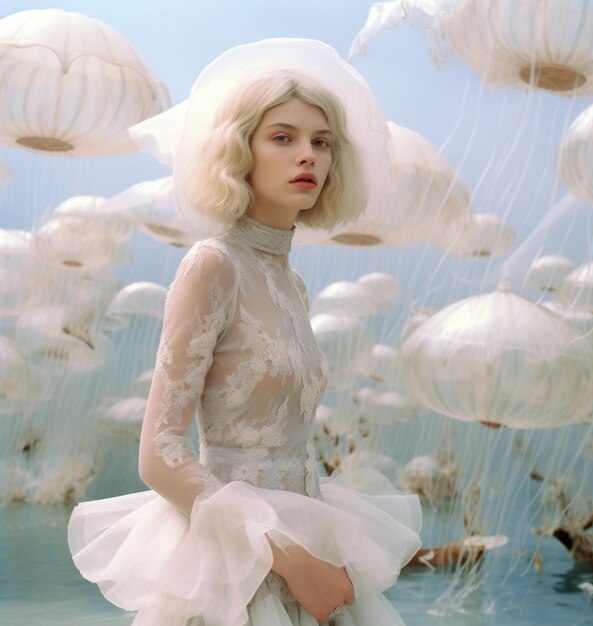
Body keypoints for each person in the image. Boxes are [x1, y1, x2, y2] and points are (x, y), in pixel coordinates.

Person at [68, 39, 422, 626]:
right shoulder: (213, 264)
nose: (307, 154)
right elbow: (159, 454)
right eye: (282, 137)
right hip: (238, 565)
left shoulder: (292, 282)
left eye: (321, 141)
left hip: (313, 542)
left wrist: (313, 554)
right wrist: (286, 556)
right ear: (241, 151)